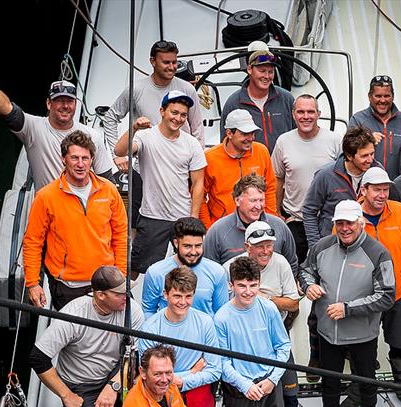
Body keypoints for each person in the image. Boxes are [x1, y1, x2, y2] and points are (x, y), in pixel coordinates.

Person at [300, 200, 396, 407]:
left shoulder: (378, 253)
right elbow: (305, 271)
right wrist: (309, 286)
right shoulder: (322, 246)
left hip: (362, 335)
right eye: (339, 223)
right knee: (330, 380)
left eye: (349, 223)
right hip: (327, 333)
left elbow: (387, 295)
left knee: (366, 379)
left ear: (360, 222)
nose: (344, 228)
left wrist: (348, 309)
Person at [338, 167, 401, 407]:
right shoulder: (350, 217)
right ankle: (358, 388)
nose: (382, 194)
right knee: (360, 346)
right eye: (376, 189)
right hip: (362, 295)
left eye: (385, 189)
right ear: (363, 191)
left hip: (397, 292)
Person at [29, 266, 143, 407]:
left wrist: (113, 386)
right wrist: (67, 396)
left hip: (117, 375)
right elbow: (38, 357)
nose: (126, 296)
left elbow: (135, 354)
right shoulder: (73, 315)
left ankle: (111, 406)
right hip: (82, 387)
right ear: (100, 295)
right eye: (119, 294)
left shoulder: (132, 311)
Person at [102, 40, 204, 224]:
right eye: (166, 62)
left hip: (180, 169)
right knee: (138, 224)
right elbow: (110, 118)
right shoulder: (136, 89)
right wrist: (116, 156)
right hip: (145, 171)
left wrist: (196, 165)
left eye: (174, 62)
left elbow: (197, 128)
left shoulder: (187, 89)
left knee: (182, 222)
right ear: (152, 61)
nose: (172, 67)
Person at [226, 220, 307, 407]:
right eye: (259, 245)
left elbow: (293, 303)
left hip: (275, 335)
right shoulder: (230, 267)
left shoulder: (280, 262)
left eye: (269, 245)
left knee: (290, 389)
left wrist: (265, 300)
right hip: (243, 341)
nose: (265, 251)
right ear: (247, 246)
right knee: (244, 393)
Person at [23, 131, 127, 310]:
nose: (80, 164)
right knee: (74, 337)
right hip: (68, 287)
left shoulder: (109, 190)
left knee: (110, 335)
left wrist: (120, 275)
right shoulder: (46, 197)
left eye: (85, 158)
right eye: (74, 158)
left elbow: (121, 235)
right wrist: (33, 283)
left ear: (92, 159)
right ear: (63, 159)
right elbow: (33, 241)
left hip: (107, 282)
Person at [0, 62, 112, 188]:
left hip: (83, 212)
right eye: (59, 100)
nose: (65, 106)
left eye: (69, 101)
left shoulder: (93, 136)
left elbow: (107, 182)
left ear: (76, 104)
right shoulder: (33, 128)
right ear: (48, 103)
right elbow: (6, 109)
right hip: (47, 211)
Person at [114, 90, 207, 276]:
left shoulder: (192, 144)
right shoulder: (145, 137)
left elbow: (198, 183)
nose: (178, 118)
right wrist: (134, 128)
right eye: (174, 112)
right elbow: (120, 151)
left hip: (181, 217)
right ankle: (131, 303)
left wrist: (193, 219)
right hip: (152, 217)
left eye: (183, 115)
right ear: (162, 111)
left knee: (185, 271)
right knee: (135, 270)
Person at [216, 256, 290, 407]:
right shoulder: (222, 318)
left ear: (259, 283)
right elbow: (221, 362)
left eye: (253, 285)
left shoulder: (268, 309)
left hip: (269, 385)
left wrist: (272, 380)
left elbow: (283, 347)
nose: (248, 291)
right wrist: (245, 386)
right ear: (231, 285)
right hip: (240, 390)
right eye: (241, 285)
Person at [138, 267, 221, 407]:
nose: (183, 303)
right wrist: (191, 371)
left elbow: (216, 370)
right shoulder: (150, 328)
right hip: (161, 392)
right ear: (165, 294)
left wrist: (183, 381)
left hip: (195, 389)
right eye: (177, 296)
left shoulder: (206, 323)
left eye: (188, 296)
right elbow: (148, 376)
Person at [272, 94, 343, 263]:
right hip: (296, 221)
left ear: (319, 114)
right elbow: (277, 178)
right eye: (301, 112)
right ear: (293, 114)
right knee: (297, 269)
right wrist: (276, 212)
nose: (306, 116)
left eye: (311, 112)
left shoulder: (334, 140)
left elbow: (343, 177)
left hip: (328, 221)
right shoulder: (283, 141)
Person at [203, 173, 297, 271]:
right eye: (253, 201)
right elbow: (209, 271)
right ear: (237, 201)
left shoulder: (279, 226)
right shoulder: (217, 231)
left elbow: (292, 265)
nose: (258, 206)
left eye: (261, 200)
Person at [200, 109, 276, 229]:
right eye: (244, 134)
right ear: (229, 133)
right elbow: (199, 196)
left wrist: (270, 221)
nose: (250, 138)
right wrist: (208, 228)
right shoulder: (210, 158)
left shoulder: (261, 151)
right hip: (222, 227)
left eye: (252, 133)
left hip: (258, 225)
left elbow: (270, 187)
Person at [302, 126, 378, 246]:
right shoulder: (326, 175)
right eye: (364, 156)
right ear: (349, 156)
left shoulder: (377, 171)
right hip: (332, 244)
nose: (370, 160)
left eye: (372, 154)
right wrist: (315, 247)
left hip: (366, 245)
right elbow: (309, 211)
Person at [142, 217, 229, 318]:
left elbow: (221, 313)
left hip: (204, 333)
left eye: (198, 246)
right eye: (187, 246)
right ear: (176, 243)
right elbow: (148, 311)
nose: (193, 252)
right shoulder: (155, 272)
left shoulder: (217, 272)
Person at [219, 50, 295, 152]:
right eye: (262, 71)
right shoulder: (233, 103)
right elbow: (225, 142)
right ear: (249, 69)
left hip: (283, 165)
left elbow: (298, 135)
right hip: (251, 166)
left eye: (271, 71)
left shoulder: (287, 99)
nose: (267, 76)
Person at [348, 75, 401, 178]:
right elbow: (348, 151)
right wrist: (367, 139)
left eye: (387, 96)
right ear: (370, 96)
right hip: (365, 186)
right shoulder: (358, 119)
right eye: (378, 96)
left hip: (397, 187)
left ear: (393, 96)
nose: (382, 100)